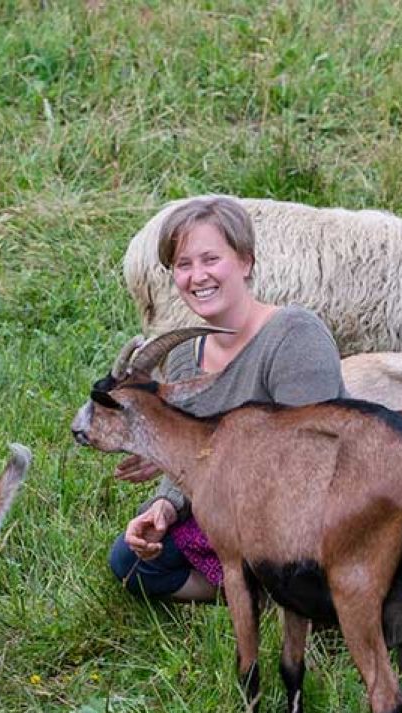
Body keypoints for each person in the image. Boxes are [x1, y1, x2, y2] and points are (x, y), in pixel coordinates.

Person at [109, 197, 347, 603]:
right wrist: (166, 504)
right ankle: (262, 592)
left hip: (312, 508)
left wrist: (201, 453)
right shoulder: (185, 354)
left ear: (246, 263)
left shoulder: (294, 335)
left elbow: (311, 457)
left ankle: (305, 589)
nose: (197, 276)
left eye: (211, 259)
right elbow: (190, 456)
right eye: (183, 265)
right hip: (234, 509)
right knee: (130, 560)